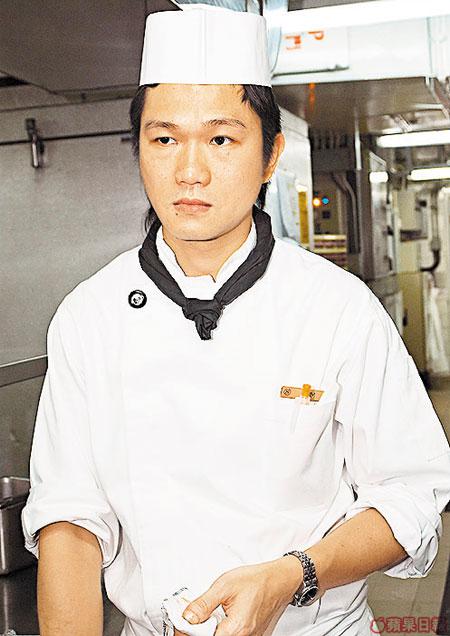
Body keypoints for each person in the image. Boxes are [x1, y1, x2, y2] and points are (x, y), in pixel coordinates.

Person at [21, 5, 450, 636]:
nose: (189, 171)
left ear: (271, 155)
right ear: (139, 149)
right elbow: (69, 519)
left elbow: (411, 494)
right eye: (164, 139)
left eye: (221, 140)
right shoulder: (89, 316)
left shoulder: (336, 307)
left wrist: (293, 576)